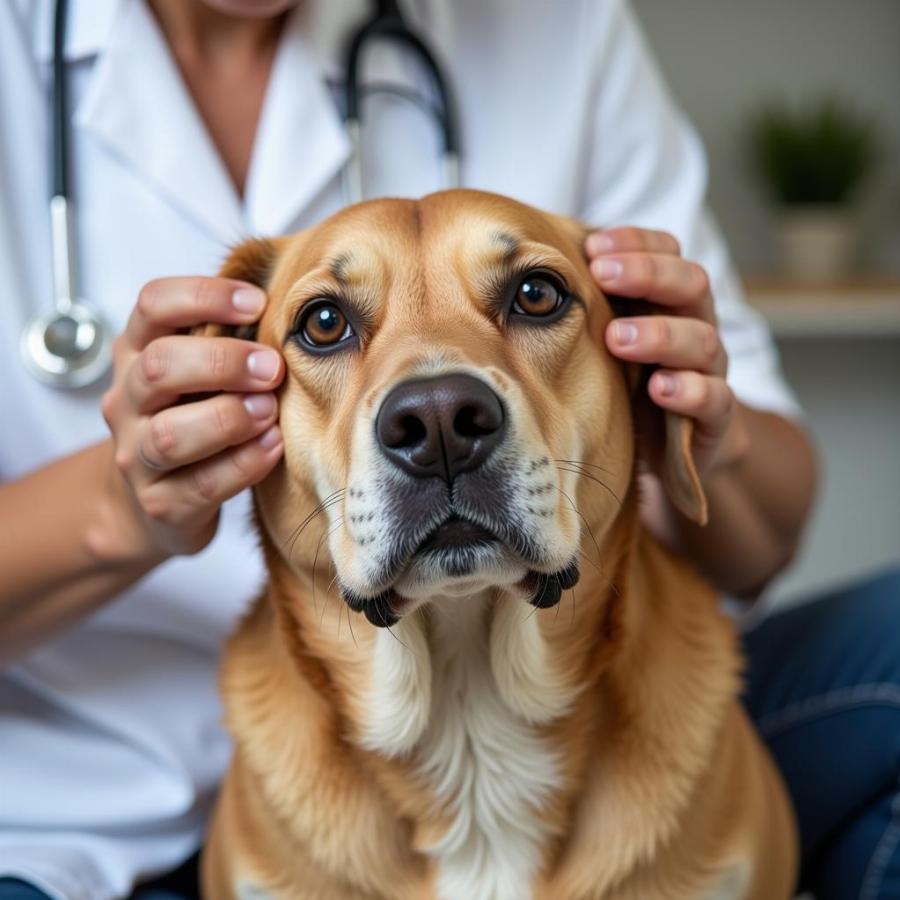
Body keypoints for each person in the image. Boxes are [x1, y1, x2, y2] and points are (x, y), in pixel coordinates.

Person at [0, 1, 896, 898]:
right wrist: (124, 510)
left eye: (535, 299)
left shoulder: (562, 24)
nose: (436, 410)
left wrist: (706, 421)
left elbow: (759, 538)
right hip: (103, 805)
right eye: (324, 324)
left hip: (620, 711)